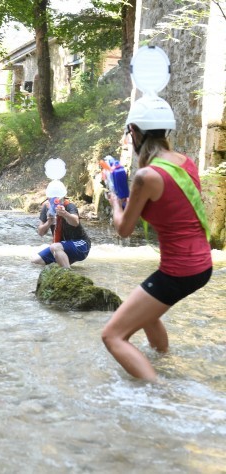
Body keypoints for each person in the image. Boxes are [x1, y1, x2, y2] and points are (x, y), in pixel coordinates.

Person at [101, 95, 213, 382]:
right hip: (200, 264)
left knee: (113, 336)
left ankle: (159, 396)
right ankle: (163, 363)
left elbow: (124, 230)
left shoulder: (147, 176)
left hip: (179, 270)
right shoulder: (184, 162)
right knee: (147, 312)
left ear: (135, 132)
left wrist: (116, 200)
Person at [32, 182, 91, 269]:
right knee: (36, 261)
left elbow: (75, 222)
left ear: (63, 197)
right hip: (61, 246)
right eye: (52, 198)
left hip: (81, 244)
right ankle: (63, 264)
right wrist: (49, 222)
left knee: (55, 247)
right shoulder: (46, 208)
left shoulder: (70, 206)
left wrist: (65, 214)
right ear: (48, 198)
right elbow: (40, 232)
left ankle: (67, 274)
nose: (55, 201)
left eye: (58, 199)